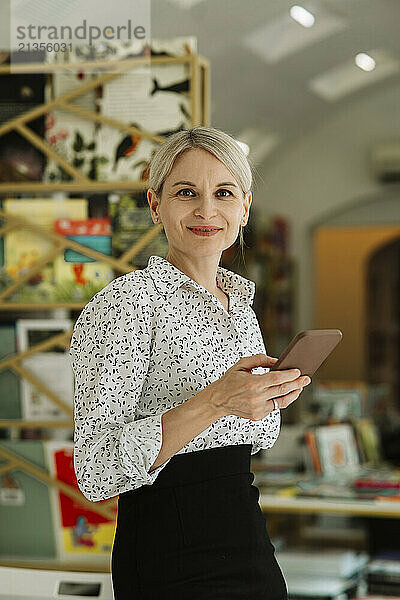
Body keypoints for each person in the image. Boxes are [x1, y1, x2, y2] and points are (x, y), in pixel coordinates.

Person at [69, 126, 312, 599]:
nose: (206, 210)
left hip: (246, 534)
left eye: (223, 193)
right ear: (156, 205)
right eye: (186, 193)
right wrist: (215, 400)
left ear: (243, 208)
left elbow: (253, 437)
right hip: (168, 547)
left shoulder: (238, 303)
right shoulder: (128, 305)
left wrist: (268, 398)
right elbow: (96, 471)